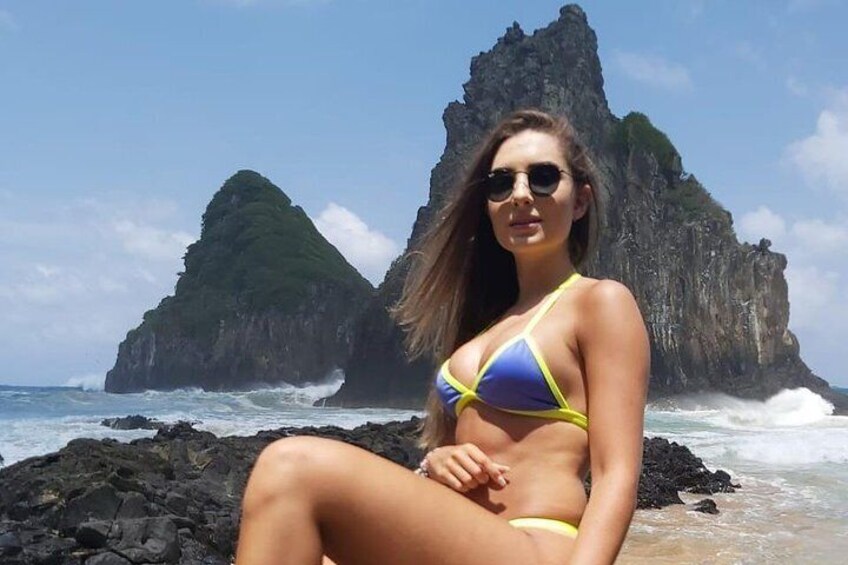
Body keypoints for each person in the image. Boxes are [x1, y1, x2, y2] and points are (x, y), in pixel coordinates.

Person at [235, 109, 650, 565]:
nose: (520, 194)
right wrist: (435, 462)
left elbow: (616, 474)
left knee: (290, 468)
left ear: (581, 201)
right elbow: (457, 451)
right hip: (460, 542)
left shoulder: (599, 302)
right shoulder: (483, 326)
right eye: (501, 183)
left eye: (543, 178)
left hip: (535, 544)